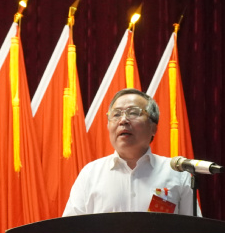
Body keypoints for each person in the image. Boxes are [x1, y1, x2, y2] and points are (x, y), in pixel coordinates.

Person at [63, 88, 196, 216]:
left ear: (153, 128)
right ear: (108, 126)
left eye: (133, 113)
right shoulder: (90, 174)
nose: (123, 120)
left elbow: (194, 228)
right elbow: (70, 228)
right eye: (116, 114)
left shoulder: (176, 174)